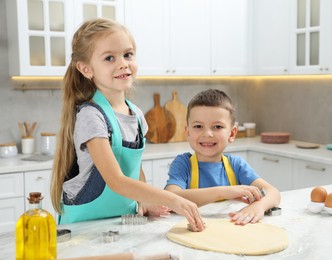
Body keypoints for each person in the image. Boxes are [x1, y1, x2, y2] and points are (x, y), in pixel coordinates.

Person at [50, 18, 204, 231]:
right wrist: (173, 199)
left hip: (122, 223)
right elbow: (117, 180)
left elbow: (135, 171)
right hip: (84, 228)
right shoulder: (91, 116)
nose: (122, 63)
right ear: (86, 69)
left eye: (128, 54)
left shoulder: (137, 115)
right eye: (110, 58)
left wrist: (143, 201)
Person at [165, 89, 281, 225]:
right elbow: (170, 198)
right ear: (188, 132)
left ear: (232, 134)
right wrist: (224, 192)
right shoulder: (183, 164)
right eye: (198, 126)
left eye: (217, 126)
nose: (207, 133)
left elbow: (273, 193)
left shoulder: (236, 165)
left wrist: (258, 207)